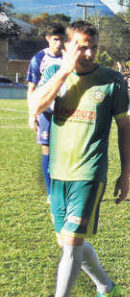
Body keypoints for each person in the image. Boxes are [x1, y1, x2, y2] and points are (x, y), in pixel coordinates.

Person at [29, 21, 130, 297]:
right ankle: (106, 286)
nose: (88, 53)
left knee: (72, 242)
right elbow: (35, 106)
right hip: (57, 172)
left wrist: (124, 174)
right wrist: (64, 71)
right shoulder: (53, 74)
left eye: (94, 47)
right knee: (68, 242)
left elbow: (125, 128)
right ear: (69, 46)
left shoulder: (112, 81)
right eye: (82, 46)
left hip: (90, 172)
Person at [26, 24, 65, 200]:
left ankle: (65, 190)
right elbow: (31, 88)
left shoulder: (69, 58)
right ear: (48, 39)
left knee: (66, 150)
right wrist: (32, 114)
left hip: (66, 111)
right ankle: (50, 192)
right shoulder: (39, 58)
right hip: (46, 112)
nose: (59, 43)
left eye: (61, 39)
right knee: (47, 149)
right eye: (55, 39)